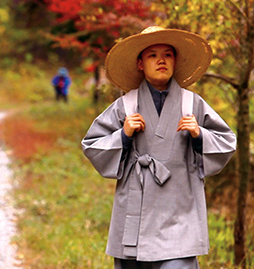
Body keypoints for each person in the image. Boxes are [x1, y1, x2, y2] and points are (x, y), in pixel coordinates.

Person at [81, 26, 237, 269]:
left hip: (179, 208)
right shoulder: (127, 104)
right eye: (152, 55)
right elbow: (92, 145)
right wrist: (123, 134)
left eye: (168, 54)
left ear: (175, 61)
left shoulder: (191, 103)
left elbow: (226, 142)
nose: (161, 60)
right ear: (141, 64)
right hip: (136, 207)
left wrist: (199, 135)